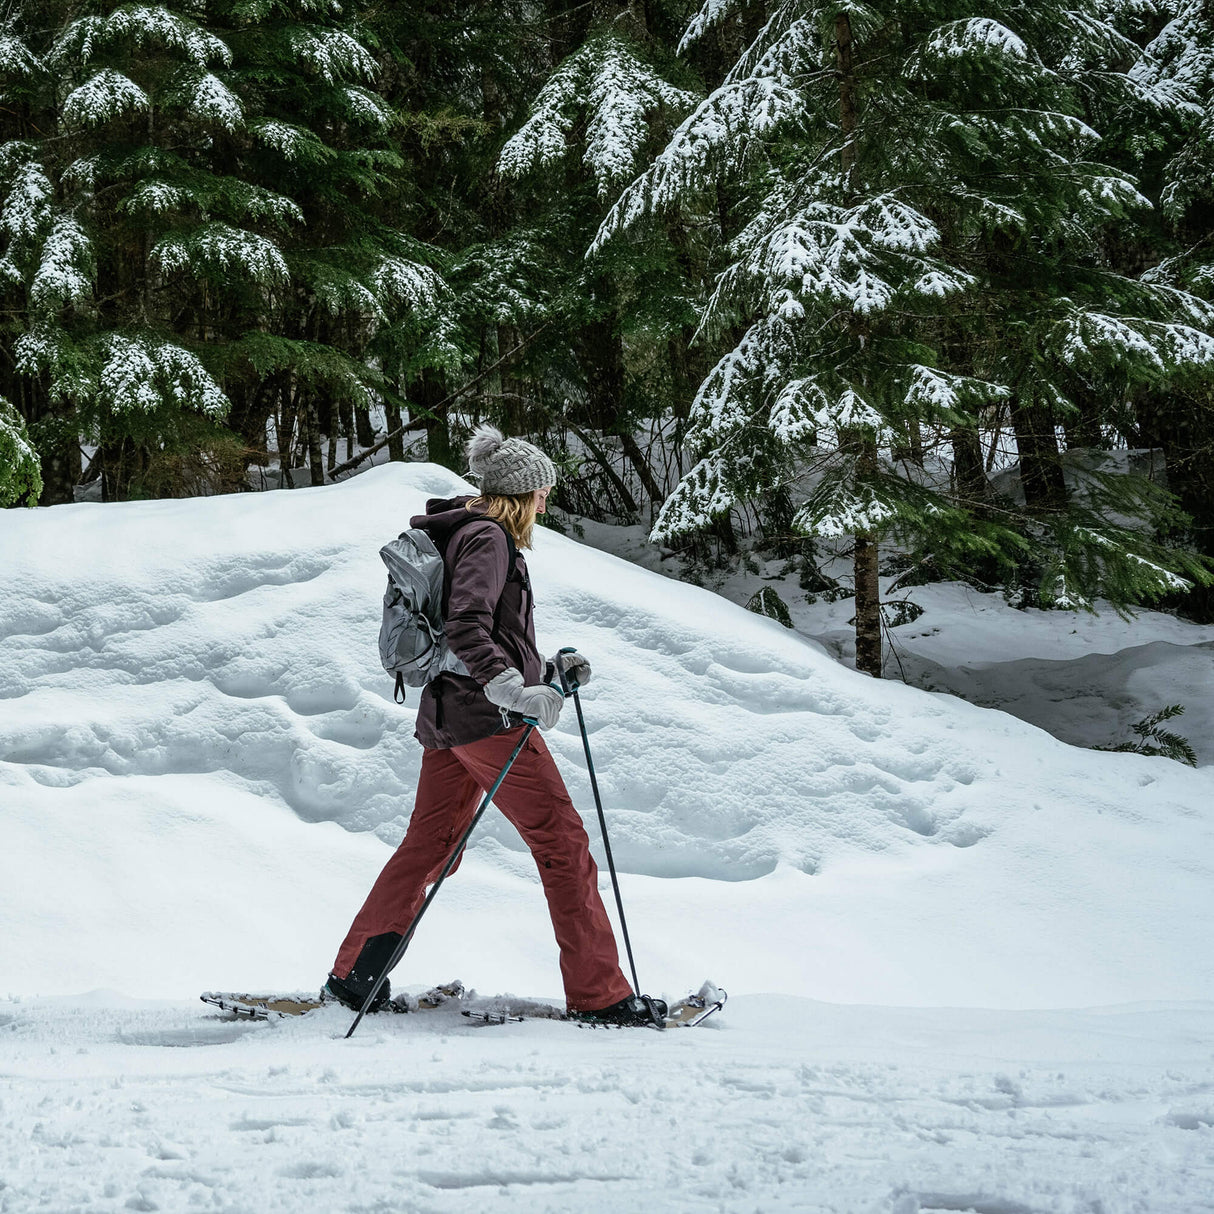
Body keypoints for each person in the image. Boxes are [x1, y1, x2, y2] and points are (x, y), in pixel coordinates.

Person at [325, 424, 664, 1026]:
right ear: (523, 494)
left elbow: (485, 634)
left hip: (448, 715)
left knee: (430, 847)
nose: (545, 503)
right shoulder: (488, 538)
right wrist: (508, 686)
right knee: (562, 844)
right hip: (486, 719)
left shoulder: (465, 532)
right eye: (542, 493)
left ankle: (355, 980)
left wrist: (547, 671)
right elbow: (465, 626)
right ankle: (602, 997)